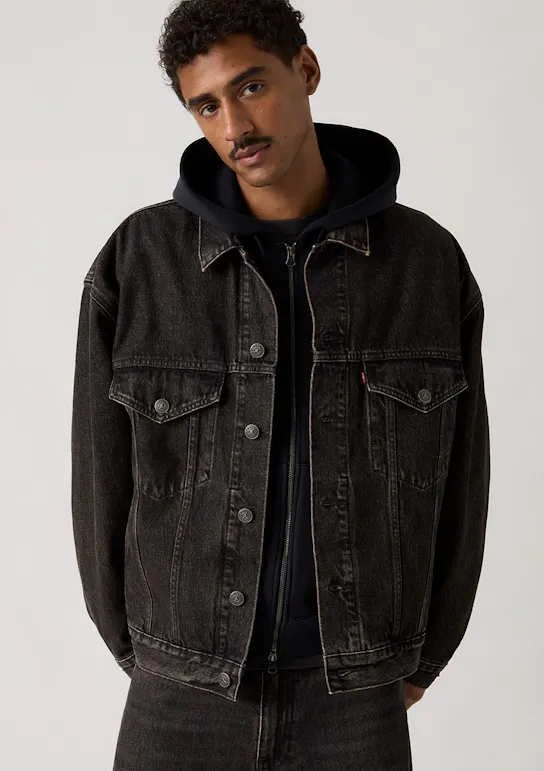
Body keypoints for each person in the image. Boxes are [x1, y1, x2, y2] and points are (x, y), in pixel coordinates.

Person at [70, 1, 490, 768]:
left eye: (251, 86)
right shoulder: (140, 260)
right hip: (180, 691)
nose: (235, 125)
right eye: (206, 105)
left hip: (353, 699)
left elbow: (463, 481)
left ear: (306, 69)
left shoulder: (425, 263)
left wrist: (423, 659)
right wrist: (145, 653)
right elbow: (98, 480)